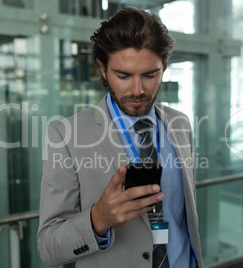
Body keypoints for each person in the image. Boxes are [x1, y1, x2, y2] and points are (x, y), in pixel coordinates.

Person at [37, 6, 202, 268]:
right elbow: (48, 247)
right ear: (103, 69)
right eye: (123, 76)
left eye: (150, 75)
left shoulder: (180, 124)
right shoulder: (65, 136)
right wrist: (98, 219)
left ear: (164, 67)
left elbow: (185, 218)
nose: (137, 90)